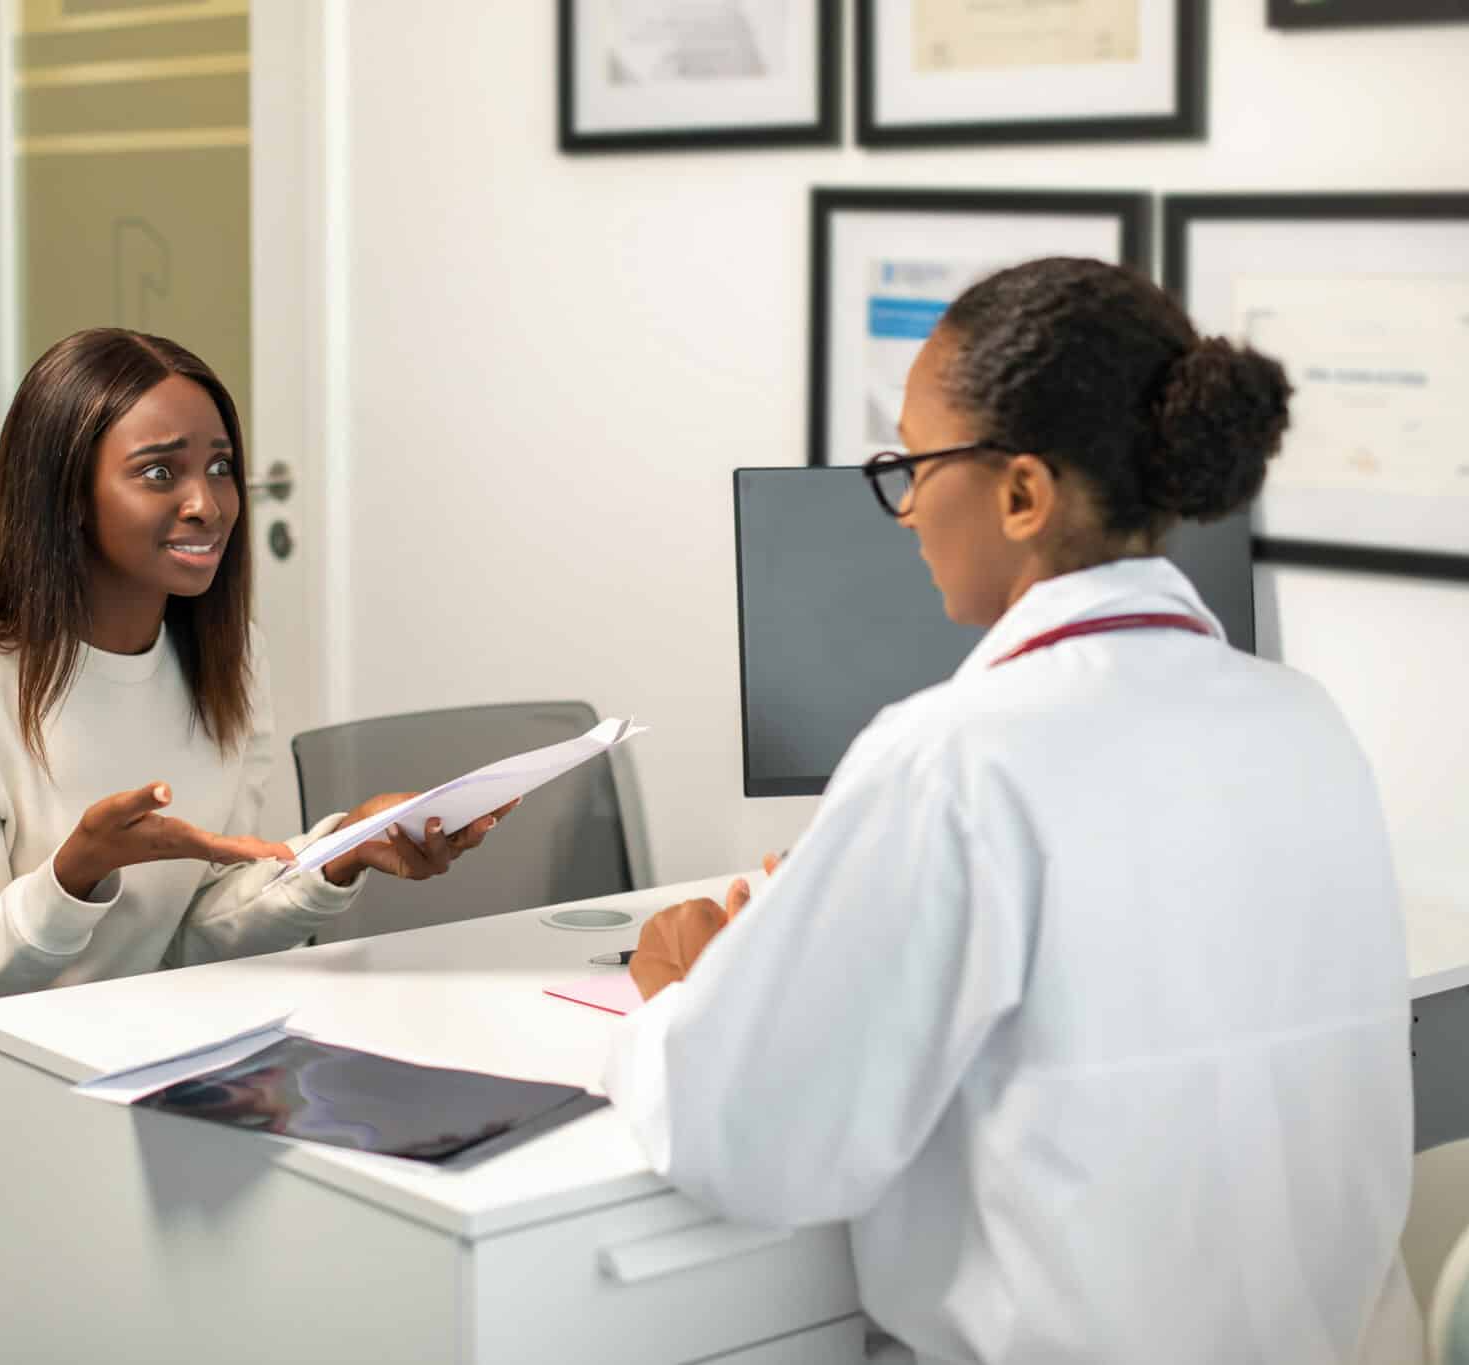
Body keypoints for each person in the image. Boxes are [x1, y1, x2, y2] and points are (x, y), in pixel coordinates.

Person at [606, 259, 1418, 1364]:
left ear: (1021, 495)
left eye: (909, 464)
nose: (900, 512)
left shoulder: (951, 756)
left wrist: (681, 1000)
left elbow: (746, 1145)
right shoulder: (1299, 720)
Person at [0, 328, 510, 1210]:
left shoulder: (225, 660)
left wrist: (344, 850)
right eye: (160, 472)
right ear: (68, 498)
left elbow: (198, 929)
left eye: (222, 467)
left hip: (166, 1038)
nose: (208, 502)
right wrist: (75, 875)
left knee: (416, 1154)